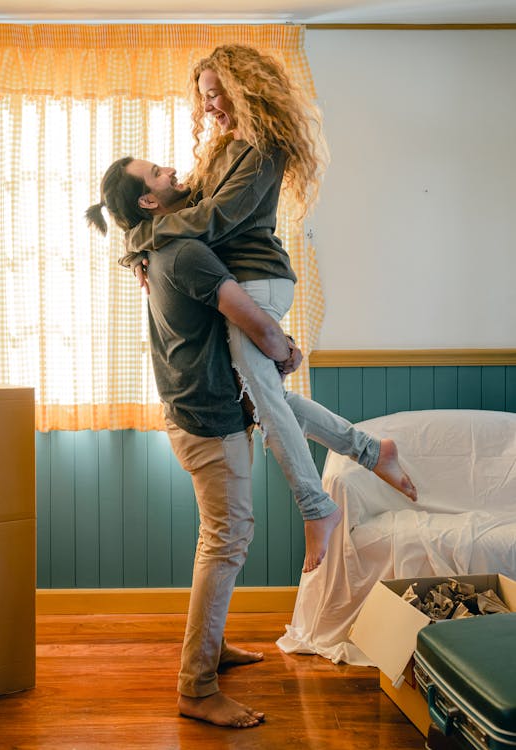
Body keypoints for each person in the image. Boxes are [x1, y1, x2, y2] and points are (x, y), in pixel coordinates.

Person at [118, 45, 417, 573]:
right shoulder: (225, 148)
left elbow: (217, 218)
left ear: (241, 89)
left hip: (259, 280)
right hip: (240, 281)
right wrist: (138, 249)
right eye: (204, 98)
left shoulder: (264, 147)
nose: (209, 107)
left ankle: (316, 507)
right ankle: (372, 452)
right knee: (266, 397)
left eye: (215, 95)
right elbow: (186, 212)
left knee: (264, 395)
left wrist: (146, 234)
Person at [86, 156, 303, 729]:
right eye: (159, 173)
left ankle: (215, 644)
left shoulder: (152, 246)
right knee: (227, 542)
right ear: (150, 203)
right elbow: (252, 320)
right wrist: (287, 352)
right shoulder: (186, 252)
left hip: (189, 412)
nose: (174, 171)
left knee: (218, 538)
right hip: (208, 419)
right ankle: (197, 687)